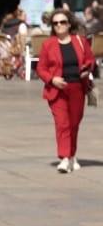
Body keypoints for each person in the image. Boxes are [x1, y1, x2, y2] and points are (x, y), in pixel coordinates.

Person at [37, 9, 94, 173]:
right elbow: (41, 68)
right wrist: (52, 79)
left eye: (62, 22)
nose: (59, 26)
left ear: (69, 24)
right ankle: (64, 158)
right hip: (57, 90)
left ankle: (72, 155)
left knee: (74, 124)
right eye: (55, 23)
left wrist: (86, 69)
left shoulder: (80, 41)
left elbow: (90, 60)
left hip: (77, 87)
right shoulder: (48, 45)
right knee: (63, 124)